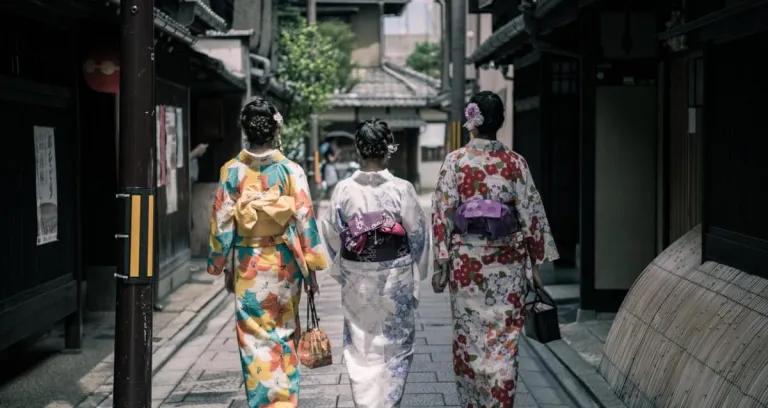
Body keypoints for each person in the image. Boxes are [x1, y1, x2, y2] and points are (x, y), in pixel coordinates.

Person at [431, 91, 559, 407]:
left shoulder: (455, 162)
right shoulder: (515, 162)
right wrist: (536, 268)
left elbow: (442, 213)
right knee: (504, 342)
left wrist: (441, 263)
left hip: (467, 266)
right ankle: (500, 402)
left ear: (471, 123)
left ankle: (474, 403)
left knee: (469, 339)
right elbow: (531, 212)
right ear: (500, 122)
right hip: (509, 264)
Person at [206, 97, 328, 408]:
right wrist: (311, 268)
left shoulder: (231, 171)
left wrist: (220, 263)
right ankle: (285, 402)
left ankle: (264, 403)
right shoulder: (291, 170)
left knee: (253, 340)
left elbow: (222, 224)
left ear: (245, 131)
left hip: (249, 263)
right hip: (285, 263)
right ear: (275, 130)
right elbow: (305, 220)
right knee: (284, 333)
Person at [321, 118, 432, 408]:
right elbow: (418, 234)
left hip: (357, 275)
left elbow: (333, 235)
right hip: (395, 274)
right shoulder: (402, 189)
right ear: (387, 149)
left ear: (359, 150)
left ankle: (367, 404)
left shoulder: (343, 190)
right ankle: (389, 403)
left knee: (361, 346)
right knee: (396, 346)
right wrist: (417, 269)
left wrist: (343, 267)